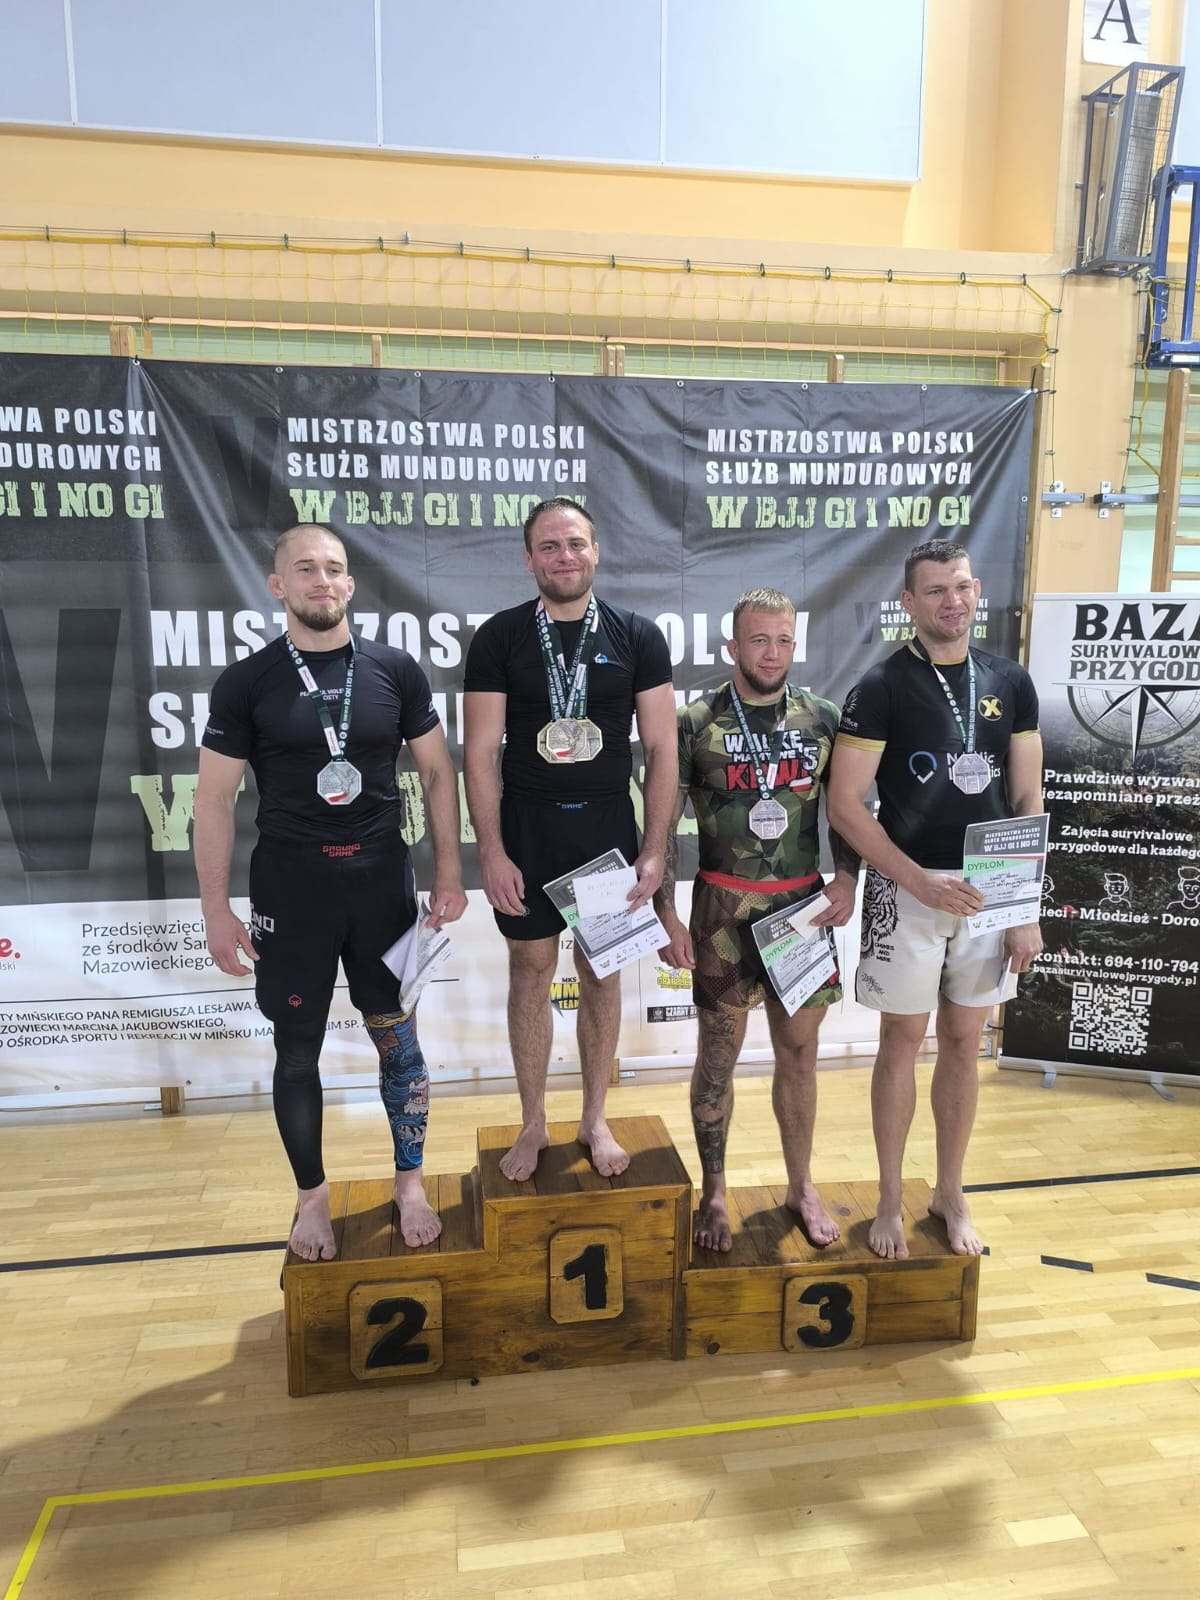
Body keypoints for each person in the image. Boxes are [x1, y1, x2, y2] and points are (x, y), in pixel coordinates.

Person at [194, 525, 467, 1262]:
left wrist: (449, 870)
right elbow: (213, 799)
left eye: (335, 568)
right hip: (292, 891)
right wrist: (215, 910)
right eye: (305, 568)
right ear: (278, 585)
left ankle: (410, 1184)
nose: (322, 580)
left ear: (351, 583)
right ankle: (311, 1200)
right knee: (295, 1053)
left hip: (381, 886)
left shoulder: (394, 670)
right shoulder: (247, 683)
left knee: (398, 1041)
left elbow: (437, 772)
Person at [827, 539, 1043, 1260]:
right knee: (901, 1041)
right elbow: (845, 806)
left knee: (964, 1043)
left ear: (977, 591)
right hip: (907, 887)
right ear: (909, 603)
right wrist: (916, 879)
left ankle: (951, 1191)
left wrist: (1024, 908)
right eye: (936, 590)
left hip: (988, 887)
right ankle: (890, 1197)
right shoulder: (881, 686)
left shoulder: (1010, 681)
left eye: (962, 586)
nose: (953, 601)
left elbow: (1026, 797)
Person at [463, 496, 676, 1181]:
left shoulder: (637, 636)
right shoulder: (499, 638)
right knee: (529, 972)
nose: (565, 556)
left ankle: (594, 1117)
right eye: (550, 546)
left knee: (601, 973)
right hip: (528, 829)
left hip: (606, 831)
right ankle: (533, 1121)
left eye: (576, 543)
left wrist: (654, 849)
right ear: (529, 559)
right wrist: (491, 851)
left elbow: (663, 751)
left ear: (596, 551)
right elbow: (479, 753)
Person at [655, 589, 858, 1251]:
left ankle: (802, 1186)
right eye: (759, 640)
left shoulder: (823, 719)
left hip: (801, 909)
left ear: (795, 644)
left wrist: (848, 876)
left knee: (799, 1054)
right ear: (733, 647)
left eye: (783, 640)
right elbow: (660, 823)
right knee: (717, 1058)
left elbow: (846, 809)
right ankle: (714, 1192)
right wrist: (664, 910)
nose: (772, 652)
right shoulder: (694, 722)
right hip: (721, 909)